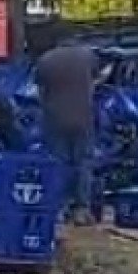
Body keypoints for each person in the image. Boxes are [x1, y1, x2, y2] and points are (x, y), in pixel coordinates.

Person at [34, 40, 106, 221]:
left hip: (55, 118)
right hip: (83, 117)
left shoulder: (45, 59)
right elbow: (96, 80)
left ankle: (58, 207)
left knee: (58, 163)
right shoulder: (87, 55)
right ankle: (81, 209)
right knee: (83, 162)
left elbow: (39, 91)